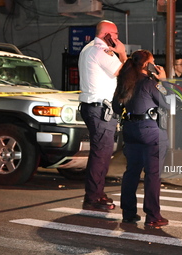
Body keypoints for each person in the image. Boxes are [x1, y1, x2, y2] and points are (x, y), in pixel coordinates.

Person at [112, 49, 170, 227]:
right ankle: (153, 216)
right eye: (152, 62)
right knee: (153, 174)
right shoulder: (150, 83)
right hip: (150, 132)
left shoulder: (124, 81)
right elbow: (169, 102)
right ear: (147, 65)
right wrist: (164, 81)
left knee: (132, 173)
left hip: (130, 131)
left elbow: (115, 106)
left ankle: (128, 213)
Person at [78, 20, 127, 211]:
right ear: (106, 34)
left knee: (103, 153)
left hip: (97, 108)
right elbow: (123, 71)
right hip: (100, 110)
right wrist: (122, 52)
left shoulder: (89, 49)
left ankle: (96, 192)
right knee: (101, 154)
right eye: (114, 34)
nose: (116, 38)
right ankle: (93, 197)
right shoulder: (101, 51)